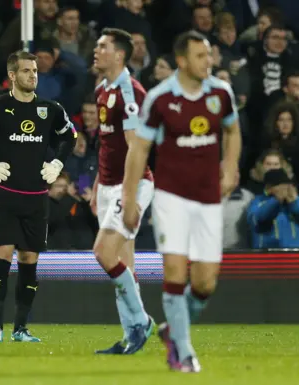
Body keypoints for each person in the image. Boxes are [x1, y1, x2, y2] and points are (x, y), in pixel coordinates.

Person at [122, 31, 241, 372]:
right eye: (201, 56)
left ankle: (172, 328)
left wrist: (230, 167)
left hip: (208, 199)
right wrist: (130, 198)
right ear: (182, 60)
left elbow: (232, 131)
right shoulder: (160, 99)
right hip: (171, 198)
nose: (209, 62)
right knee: (175, 271)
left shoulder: (221, 93)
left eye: (209, 55)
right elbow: (139, 149)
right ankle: (183, 353)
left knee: (205, 283)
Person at [0, 50, 77, 343]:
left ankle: (21, 329)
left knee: (30, 260)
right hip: (4, 196)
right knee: (2, 257)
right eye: (26, 71)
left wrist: (57, 163)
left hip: (36, 198)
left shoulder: (50, 108)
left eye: (35, 71)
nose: (33, 75)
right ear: (11, 76)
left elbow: (70, 136)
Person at [89, 28, 155, 355]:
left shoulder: (131, 91)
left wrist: (127, 196)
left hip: (132, 185)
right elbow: (107, 144)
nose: (96, 50)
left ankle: (141, 320)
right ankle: (132, 335)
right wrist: (98, 185)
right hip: (109, 186)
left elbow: (135, 149)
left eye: (102, 47)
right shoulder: (103, 89)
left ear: (119, 55)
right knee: (123, 265)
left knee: (104, 253)